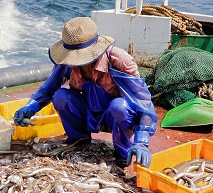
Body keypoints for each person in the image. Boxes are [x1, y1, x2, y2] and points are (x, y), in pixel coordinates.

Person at [13, 17, 157, 167]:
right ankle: (79, 141)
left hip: (116, 115)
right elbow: (48, 88)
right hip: (89, 112)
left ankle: (122, 151)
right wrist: (30, 107)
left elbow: (143, 102)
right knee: (61, 96)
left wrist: (142, 140)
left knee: (119, 106)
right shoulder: (67, 62)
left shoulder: (119, 61)